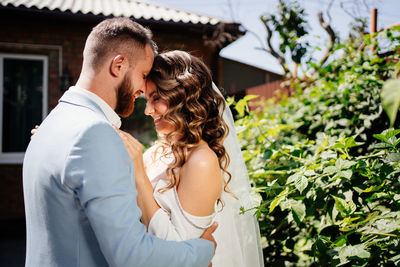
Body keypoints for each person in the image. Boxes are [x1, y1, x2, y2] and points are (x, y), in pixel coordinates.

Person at [23, 18, 217, 267]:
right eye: (143, 75)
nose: (141, 92)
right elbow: (130, 255)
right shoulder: (94, 133)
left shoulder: (53, 122)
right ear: (119, 65)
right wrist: (203, 250)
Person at [117, 50, 264, 267]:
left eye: (156, 98)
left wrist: (139, 175)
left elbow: (182, 252)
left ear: (184, 97)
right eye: (147, 99)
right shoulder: (157, 151)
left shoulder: (202, 161)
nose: (148, 110)